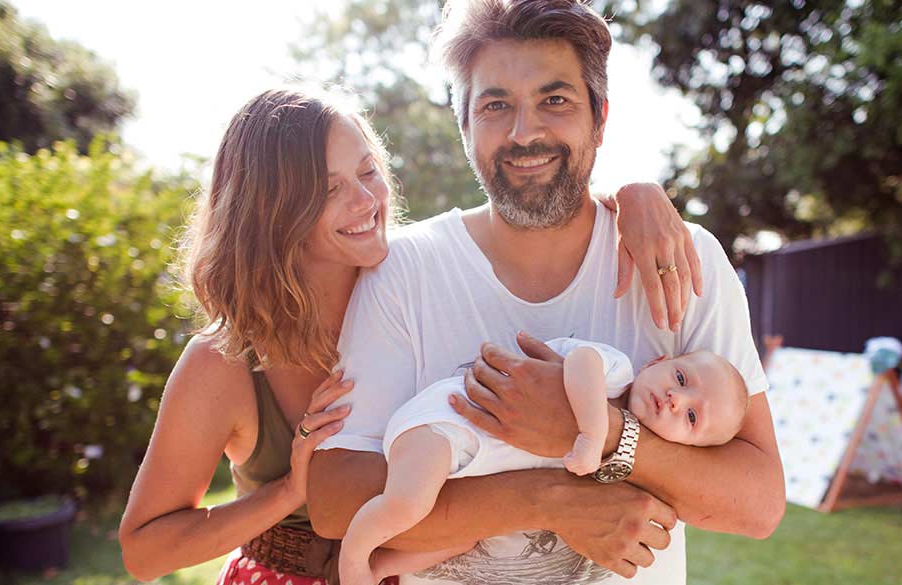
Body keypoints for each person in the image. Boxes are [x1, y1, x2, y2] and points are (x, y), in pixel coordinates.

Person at [117, 87, 700, 583]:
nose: (367, 201)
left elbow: (532, 215)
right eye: (327, 189)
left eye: (368, 170)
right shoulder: (225, 363)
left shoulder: (419, 280)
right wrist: (290, 492)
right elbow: (145, 550)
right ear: (269, 210)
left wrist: (635, 195)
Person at [308, 1, 786, 585]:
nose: (524, 132)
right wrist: (547, 499)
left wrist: (603, 433)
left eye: (554, 100)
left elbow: (758, 504)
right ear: (464, 127)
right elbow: (335, 502)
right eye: (495, 105)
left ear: (600, 118)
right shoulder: (402, 270)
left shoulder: (682, 261)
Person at [338, 338, 750, 585]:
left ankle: (379, 567)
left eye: (691, 417)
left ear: (689, 445)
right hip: (445, 424)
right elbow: (581, 362)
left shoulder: (638, 467)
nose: (677, 399)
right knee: (409, 503)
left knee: (462, 540)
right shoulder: (616, 374)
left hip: (468, 463)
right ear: (657, 363)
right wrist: (593, 432)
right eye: (680, 379)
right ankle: (353, 557)